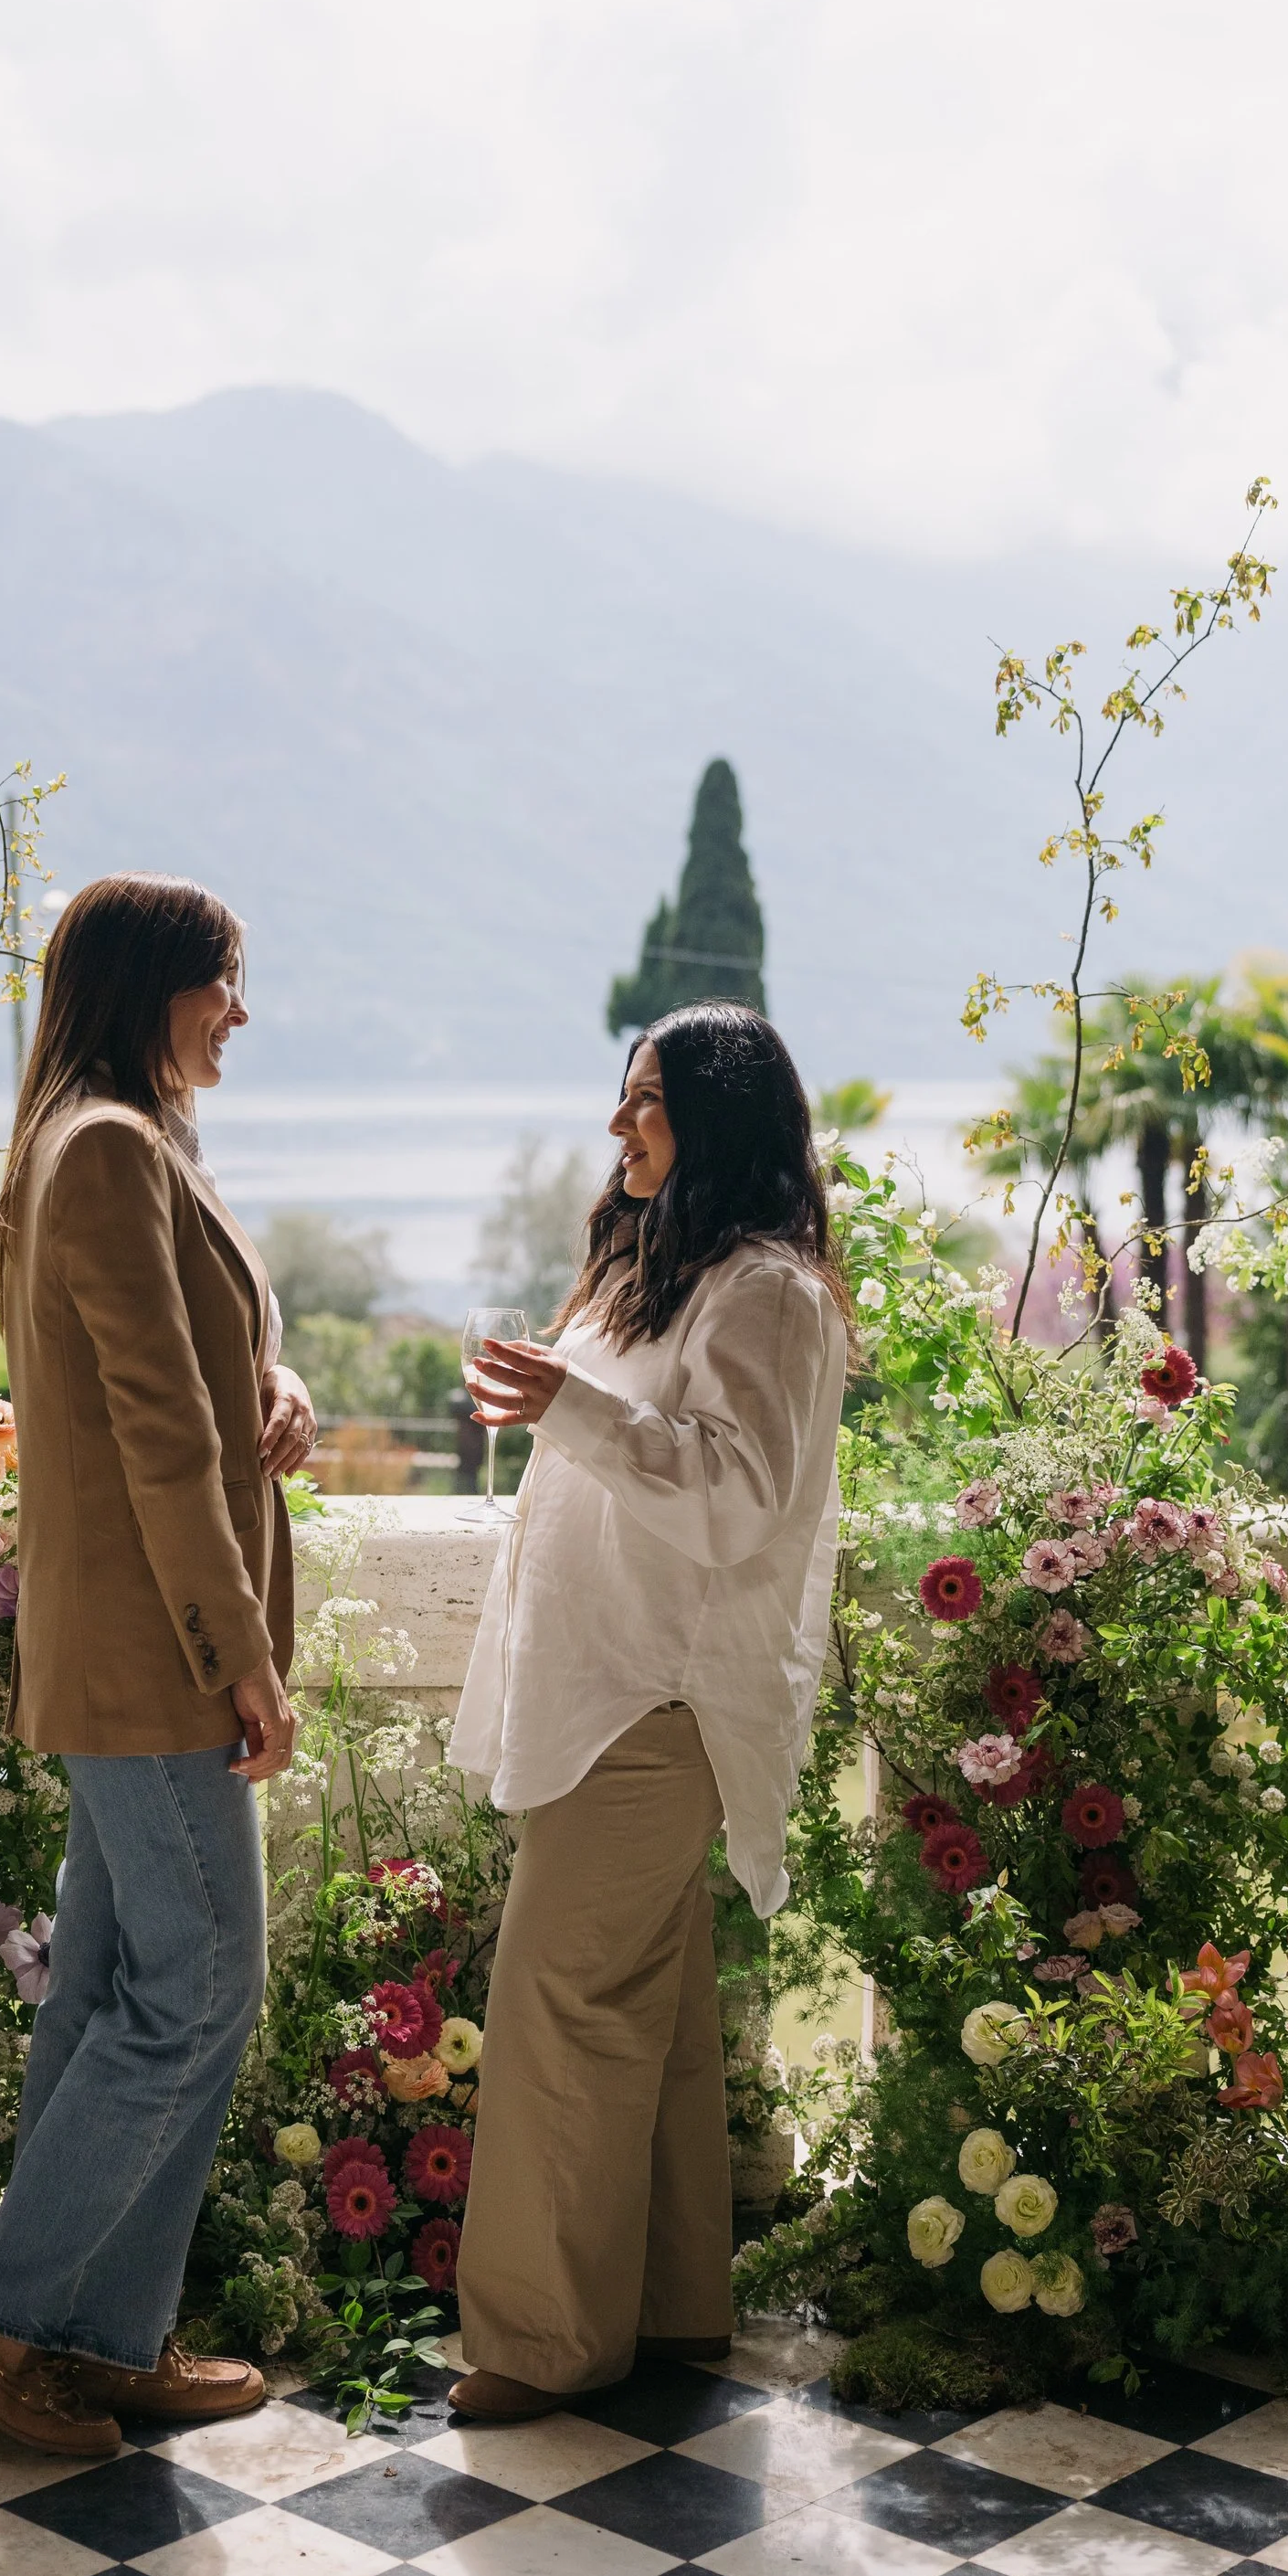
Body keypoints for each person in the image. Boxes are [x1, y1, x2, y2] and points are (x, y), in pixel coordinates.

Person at [0, 875, 314, 2456]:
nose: (238, 1012)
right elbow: (153, 1439)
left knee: (108, 1992)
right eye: (224, 980)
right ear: (156, 983)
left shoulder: (112, 1143)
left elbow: (190, 1375)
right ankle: (6, 2319)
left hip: (135, 1653)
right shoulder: (105, 1153)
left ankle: (100, 2336)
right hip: (160, 1659)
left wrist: (272, 1384)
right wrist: (243, 1657)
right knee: (204, 1990)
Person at [445, 1002, 853, 2422]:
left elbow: (736, 1496)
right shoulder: (653, 1269)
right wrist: (555, 1391)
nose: (621, 1125)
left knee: (560, 1999)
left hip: (658, 1696)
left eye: (651, 1102)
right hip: (602, 1685)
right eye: (622, 1099)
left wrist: (569, 1404)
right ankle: (672, 2304)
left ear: (720, 1120)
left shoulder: (770, 1295)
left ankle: (542, 2340)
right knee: (654, 2006)